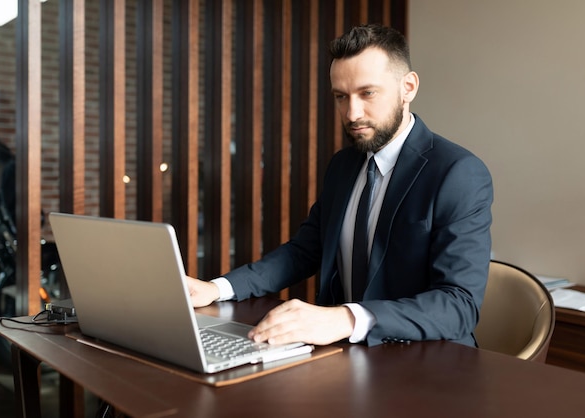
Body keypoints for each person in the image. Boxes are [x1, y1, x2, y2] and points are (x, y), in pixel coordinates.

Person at [187, 24, 493, 347]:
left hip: (428, 365)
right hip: (348, 358)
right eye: (340, 97)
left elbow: (459, 304)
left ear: (409, 87)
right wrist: (218, 288)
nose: (352, 113)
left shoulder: (458, 173)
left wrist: (346, 318)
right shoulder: (342, 166)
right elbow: (303, 252)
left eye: (367, 93)